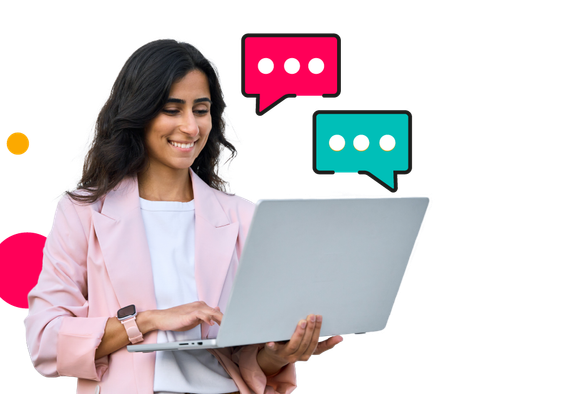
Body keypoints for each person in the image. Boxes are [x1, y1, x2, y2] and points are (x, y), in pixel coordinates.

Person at [23, 37, 343, 394]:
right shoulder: (83, 212)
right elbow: (45, 343)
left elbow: (247, 358)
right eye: (172, 110)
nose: (191, 127)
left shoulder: (241, 216)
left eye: (201, 110)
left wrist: (281, 353)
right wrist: (146, 321)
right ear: (139, 113)